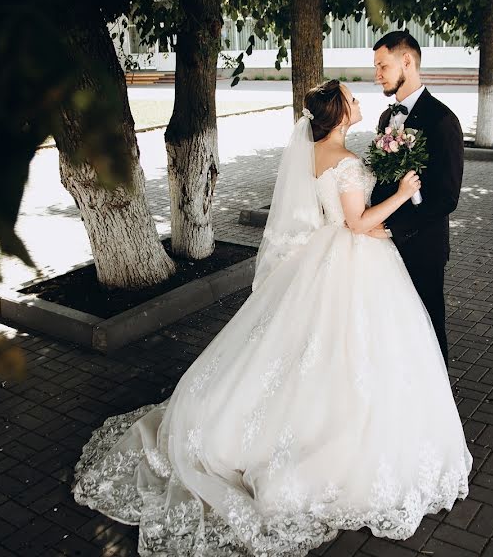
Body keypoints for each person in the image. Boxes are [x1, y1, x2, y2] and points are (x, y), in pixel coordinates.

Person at [72, 80, 472, 557]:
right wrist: (404, 191)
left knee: (311, 349)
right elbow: (358, 224)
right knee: (347, 349)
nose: (362, 100)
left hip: (329, 256)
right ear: (341, 113)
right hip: (352, 255)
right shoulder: (342, 161)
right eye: (353, 97)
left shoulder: (324, 152)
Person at [370, 31, 466, 359]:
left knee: (428, 327)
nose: (377, 74)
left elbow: (447, 197)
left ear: (406, 62)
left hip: (422, 246)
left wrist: (395, 228)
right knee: (395, 328)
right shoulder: (386, 118)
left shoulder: (442, 120)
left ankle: (438, 403)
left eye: (382, 65)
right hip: (383, 246)